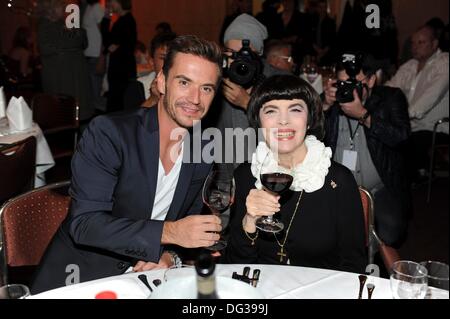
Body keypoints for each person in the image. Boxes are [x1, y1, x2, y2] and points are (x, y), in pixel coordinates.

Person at [30, 35, 224, 294]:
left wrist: (168, 255)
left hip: (147, 281)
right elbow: (85, 224)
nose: (195, 98)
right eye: (184, 82)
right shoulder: (110, 133)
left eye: (207, 88)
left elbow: (184, 229)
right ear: (162, 82)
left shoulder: (203, 152)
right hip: (81, 278)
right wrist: (170, 233)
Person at [225, 74, 366, 273]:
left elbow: (353, 265)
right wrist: (249, 220)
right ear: (259, 122)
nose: (283, 121)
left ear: (309, 120)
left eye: (295, 109)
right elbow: (235, 265)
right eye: (271, 111)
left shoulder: (337, 180)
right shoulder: (246, 175)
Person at [322, 52, 411, 248]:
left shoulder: (391, 98)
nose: (347, 89)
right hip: (337, 186)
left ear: (371, 80)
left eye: (353, 83)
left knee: (391, 230)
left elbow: (401, 137)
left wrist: (364, 115)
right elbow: (308, 136)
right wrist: (324, 106)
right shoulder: (331, 101)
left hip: (380, 187)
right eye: (342, 83)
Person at [386, 25, 449, 183]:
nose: (415, 47)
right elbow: (389, 90)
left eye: (421, 42)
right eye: (413, 43)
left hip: (435, 128)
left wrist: (398, 118)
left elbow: (430, 98)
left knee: (401, 141)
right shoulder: (409, 66)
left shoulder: (445, 63)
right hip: (410, 125)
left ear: (434, 44)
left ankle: (413, 178)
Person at [37, 0, 92, 121]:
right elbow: (69, 42)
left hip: (74, 76)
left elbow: (83, 41)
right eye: (60, 5)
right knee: (63, 115)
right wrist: (72, 38)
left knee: (78, 113)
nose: (64, 8)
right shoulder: (45, 25)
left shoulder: (65, 23)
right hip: (61, 78)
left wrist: (73, 32)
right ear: (51, 8)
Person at [105, 0, 137, 112]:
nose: (110, 4)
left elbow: (109, 44)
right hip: (122, 68)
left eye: (112, 1)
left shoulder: (125, 21)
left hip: (120, 69)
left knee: (118, 104)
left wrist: (106, 19)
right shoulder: (125, 20)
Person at [140, 32, 177, 107]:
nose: (169, 62)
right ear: (152, 62)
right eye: (163, 58)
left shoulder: (189, 87)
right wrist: (152, 99)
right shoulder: (139, 86)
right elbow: (132, 118)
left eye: (173, 57)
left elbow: (196, 119)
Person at [82, 0, 106, 114]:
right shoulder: (88, 7)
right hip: (88, 53)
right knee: (90, 90)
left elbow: (104, 32)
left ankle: (100, 120)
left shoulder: (97, 7)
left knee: (95, 90)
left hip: (96, 53)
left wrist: (102, 54)